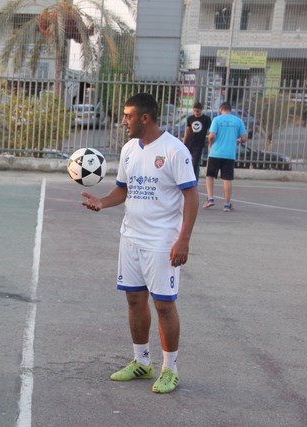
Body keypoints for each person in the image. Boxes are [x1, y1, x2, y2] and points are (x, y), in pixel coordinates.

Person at [81, 93, 199, 394]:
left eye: (128, 115)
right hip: (130, 237)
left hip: (162, 241)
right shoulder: (129, 149)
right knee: (134, 300)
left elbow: (191, 197)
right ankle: (141, 362)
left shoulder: (175, 150)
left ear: (144, 118)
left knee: (163, 304)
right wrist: (102, 202)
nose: (123, 121)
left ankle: (170, 369)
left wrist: (183, 239)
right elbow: (123, 190)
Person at [203, 102, 248, 212]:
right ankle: (227, 204)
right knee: (227, 179)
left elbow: (212, 135)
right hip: (229, 154)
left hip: (215, 153)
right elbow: (244, 137)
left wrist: (210, 144)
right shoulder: (238, 121)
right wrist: (239, 140)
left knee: (209, 176)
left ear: (221, 109)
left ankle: (210, 198)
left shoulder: (217, 120)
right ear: (230, 110)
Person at [182, 101, 212, 180]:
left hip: (199, 144)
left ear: (201, 110)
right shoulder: (190, 118)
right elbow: (187, 130)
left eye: (197, 111)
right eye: (194, 111)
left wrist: (210, 142)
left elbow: (210, 131)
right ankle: (185, 178)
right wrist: (184, 142)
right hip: (189, 142)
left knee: (195, 164)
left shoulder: (206, 119)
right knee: (185, 161)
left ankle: (194, 180)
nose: (196, 113)